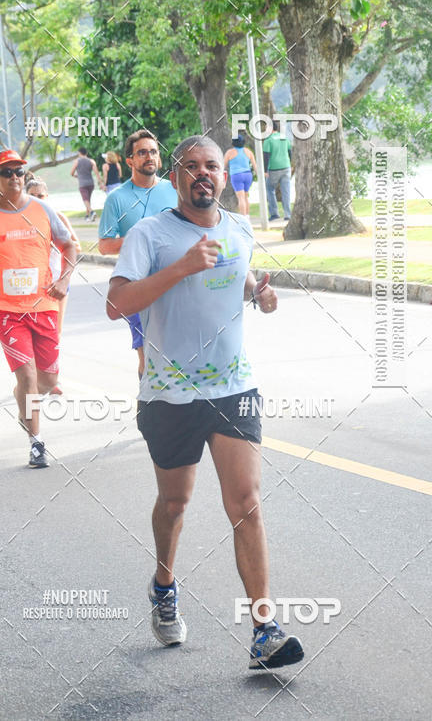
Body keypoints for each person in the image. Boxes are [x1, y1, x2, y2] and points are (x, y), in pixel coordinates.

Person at [106, 135, 304, 671]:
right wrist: (182, 267)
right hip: (170, 394)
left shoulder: (239, 227)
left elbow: (236, 283)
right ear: (176, 178)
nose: (202, 174)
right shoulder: (150, 234)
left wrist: (258, 293)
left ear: (223, 175)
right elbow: (116, 303)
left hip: (233, 388)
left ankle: (265, 628)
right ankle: (164, 585)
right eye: (190, 166)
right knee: (175, 504)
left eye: (211, 166)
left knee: (246, 502)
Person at [0, 150, 77, 468]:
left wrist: (64, 279)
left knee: (47, 381)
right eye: (7, 172)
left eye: (19, 172)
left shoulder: (43, 210)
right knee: (27, 375)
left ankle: (24, 396)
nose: (14, 178)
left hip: (44, 306)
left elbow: (70, 246)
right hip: (6, 309)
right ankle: (36, 443)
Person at [98, 129, 177, 377]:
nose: (149, 157)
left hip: (176, 281)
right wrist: (139, 237)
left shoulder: (175, 189)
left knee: (178, 350)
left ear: (160, 159)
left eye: (153, 152)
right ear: (130, 160)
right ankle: (149, 405)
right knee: (149, 355)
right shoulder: (116, 198)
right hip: (137, 286)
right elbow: (104, 245)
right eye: (142, 153)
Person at [25, 177, 81, 334]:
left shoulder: (58, 217)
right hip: (29, 283)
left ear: (47, 197)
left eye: (40, 196)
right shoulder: (21, 219)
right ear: (26, 197)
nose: (37, 200)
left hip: (58, 282)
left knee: (56, 330)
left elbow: (76, 246)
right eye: (32, 196)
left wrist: (55, 243)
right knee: (33, 331)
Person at [263, 120, 292, 222]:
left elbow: (266, 156)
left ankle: (274, 213)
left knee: (270, 189)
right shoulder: (284, 137)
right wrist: (290, 164)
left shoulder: (268, 140)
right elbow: (290, 152)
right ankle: (288, 215)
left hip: (274, 169)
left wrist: (265, 171)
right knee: (286, 192)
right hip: (286, 167)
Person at [224, 135, 257, 217]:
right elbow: (255, 166)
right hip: (248, 175)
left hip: (237, 175)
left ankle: (243, 218)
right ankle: (247, 216)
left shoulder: (230, 152)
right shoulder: (248, 151)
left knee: (240, 198)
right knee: (245, 197)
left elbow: (223, 165)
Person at [70, 147, 100, 221]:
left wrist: (76, 176)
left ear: (79, 153)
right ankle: (87, 216)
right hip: (90, 183)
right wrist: (100, 181)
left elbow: (71, 173)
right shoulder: (91, 161)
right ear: (86, 153)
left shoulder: (77, 161)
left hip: (82, 183)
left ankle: (92, 212)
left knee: (85, 199)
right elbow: (96, 172)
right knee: (88, 200)